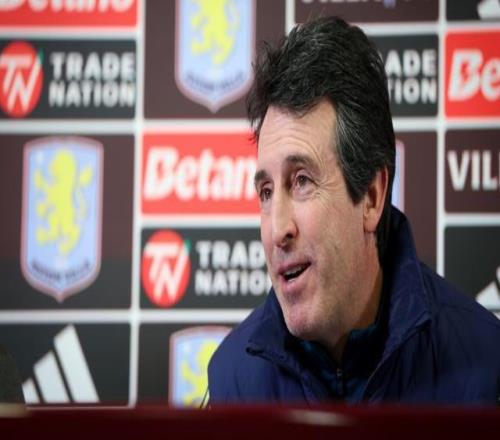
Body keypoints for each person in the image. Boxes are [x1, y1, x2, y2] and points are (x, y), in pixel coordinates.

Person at [207, 16, 500, 405]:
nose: (277, 229)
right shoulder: (232, 379)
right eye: (266, 191)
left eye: (302, 181)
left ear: (372, 197)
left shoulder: (486, 365)